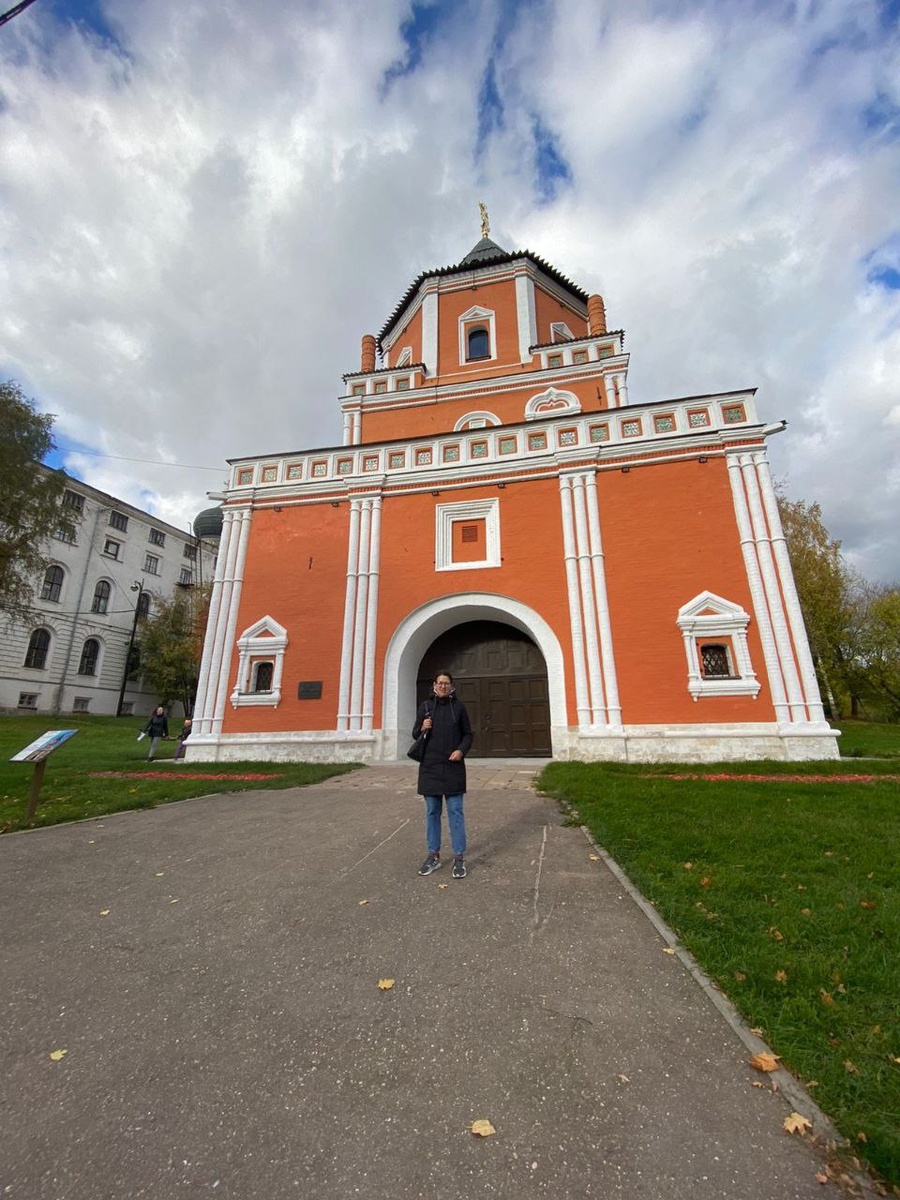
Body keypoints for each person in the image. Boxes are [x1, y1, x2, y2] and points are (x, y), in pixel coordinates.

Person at [412, 671, 473, 879]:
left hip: (453, 766)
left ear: (452, 686)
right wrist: (422, 726)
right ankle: (433, 855)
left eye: (446, 683)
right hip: (430, 767)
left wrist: (461, 751)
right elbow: (415, 734)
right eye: (440, 683)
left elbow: (468, 734)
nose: (443, 686)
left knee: (455, 812)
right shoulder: (426, 707)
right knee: (432, 812)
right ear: (434, 685)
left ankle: (459, 857)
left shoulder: (459, 707)